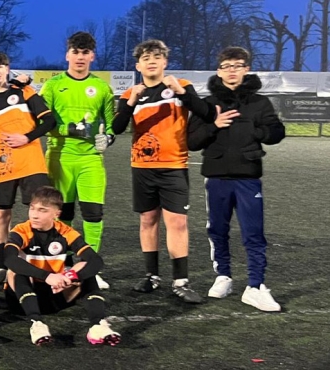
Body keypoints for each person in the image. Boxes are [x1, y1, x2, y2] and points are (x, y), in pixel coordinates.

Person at [112, 40, 211, 303]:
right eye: (146, 58)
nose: (152, 61)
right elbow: (117, 127)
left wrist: (181, 92)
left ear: (165, 62)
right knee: (148, 220)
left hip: (173, 166)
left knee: (177, 222)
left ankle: (181, 281)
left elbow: (204, 112)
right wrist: (131, 102)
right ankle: (151, 276)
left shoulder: (181, 86)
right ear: (138, 66)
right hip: (142, 167)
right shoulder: (130, 93)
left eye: (157, 56)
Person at [188, 46, 285, 312]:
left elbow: (277, 132)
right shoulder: (207, 104)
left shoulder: (260, 103)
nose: (232, 71)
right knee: (217, 229)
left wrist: (256, 130)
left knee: (253, 232)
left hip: (248, 177)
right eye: (227, 66)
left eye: (238, 65)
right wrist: (214, 126)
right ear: (219, 71)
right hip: (216, 176)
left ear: (246, 69)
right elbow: (191, 141)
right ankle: (223, 276)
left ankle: (255, 285)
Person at [40, 32, 114, 290]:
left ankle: (89, 268)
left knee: (93, 214)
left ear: (92, 56)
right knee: (64, 214)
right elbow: (42, 122)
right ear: (67, 55)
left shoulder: (102, 88)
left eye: (85, 52)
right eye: (76, 52)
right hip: (60, 158)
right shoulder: (53, 85)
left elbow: (111, 125)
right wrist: (67, 130)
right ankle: (65, 265)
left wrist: (108, 138)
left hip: (90, 159)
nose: (80, 57)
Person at [0, 52, 55, 287]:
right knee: (1, 216)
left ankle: (41, 263)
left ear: (7, 69)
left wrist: (27, 137)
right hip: (3, 168)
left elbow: (50, 121)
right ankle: (2, 267)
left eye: (0, 66)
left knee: (40, 213)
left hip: (31, 164)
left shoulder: (24, 92)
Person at [3, 186, 120, 346]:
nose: (34, 215)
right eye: (32, 208)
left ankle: (97, 325)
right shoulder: (21, 231)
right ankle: (37, 324)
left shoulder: (65, 232)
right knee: (15, 271)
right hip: (21, 300)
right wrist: (47, 276)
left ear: (56, 214)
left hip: (55, 295)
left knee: (85, 269)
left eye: (42, 210)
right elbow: (9, 259)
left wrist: (72, 277)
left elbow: (95, 260)